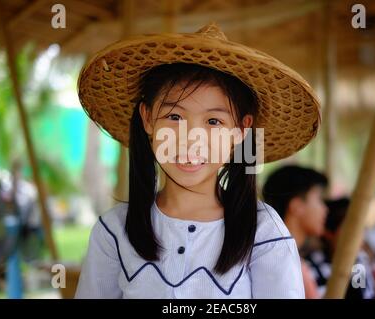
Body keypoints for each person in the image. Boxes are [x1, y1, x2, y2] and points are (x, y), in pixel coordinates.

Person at [74, 23, 321, 298]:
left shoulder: (264, 232)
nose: (192, 139)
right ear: (146, 118)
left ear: (241, 130)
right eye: (175, 117)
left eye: (213, 121)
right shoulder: (114, 231)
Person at [262, 165, 328, 298]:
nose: (325, 209)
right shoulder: (288, 266)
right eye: (319, 199)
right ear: (296, 206)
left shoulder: (287, 259)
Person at [305, 197, 375, 299]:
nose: (360, 236)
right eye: (352, 229)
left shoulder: (359, 263)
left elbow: (364, 295)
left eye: (362, 228)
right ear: (329, 232)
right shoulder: (312, 267)